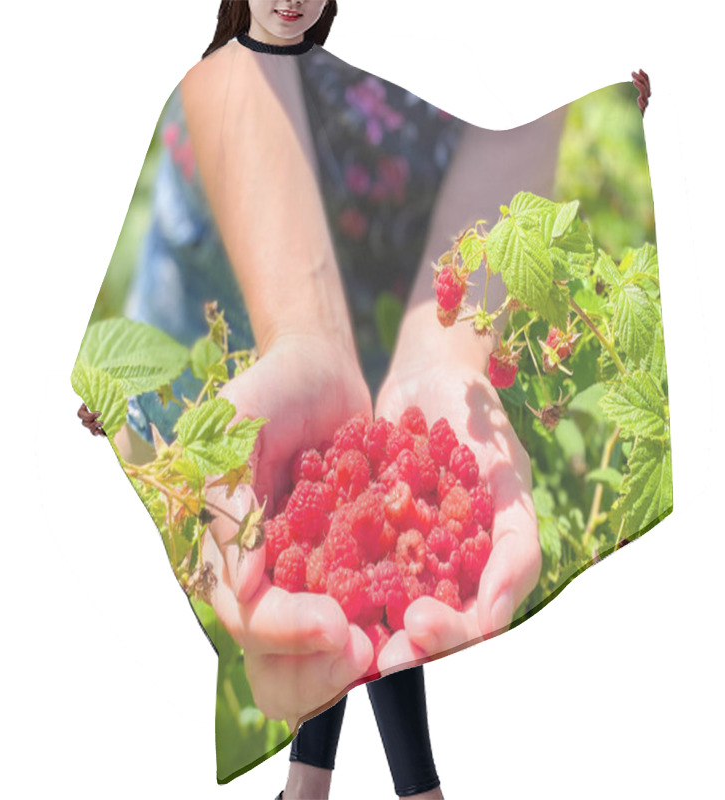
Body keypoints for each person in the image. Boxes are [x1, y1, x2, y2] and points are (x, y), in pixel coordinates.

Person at [113, 1, 567, 796]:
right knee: (261, 568)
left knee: (358, 619)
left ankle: (325, 786)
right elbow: (240, 52)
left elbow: (533, 70)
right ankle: (370, 786)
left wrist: (447, 347)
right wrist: (303, 334)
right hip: (228, 244)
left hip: (421, 275)